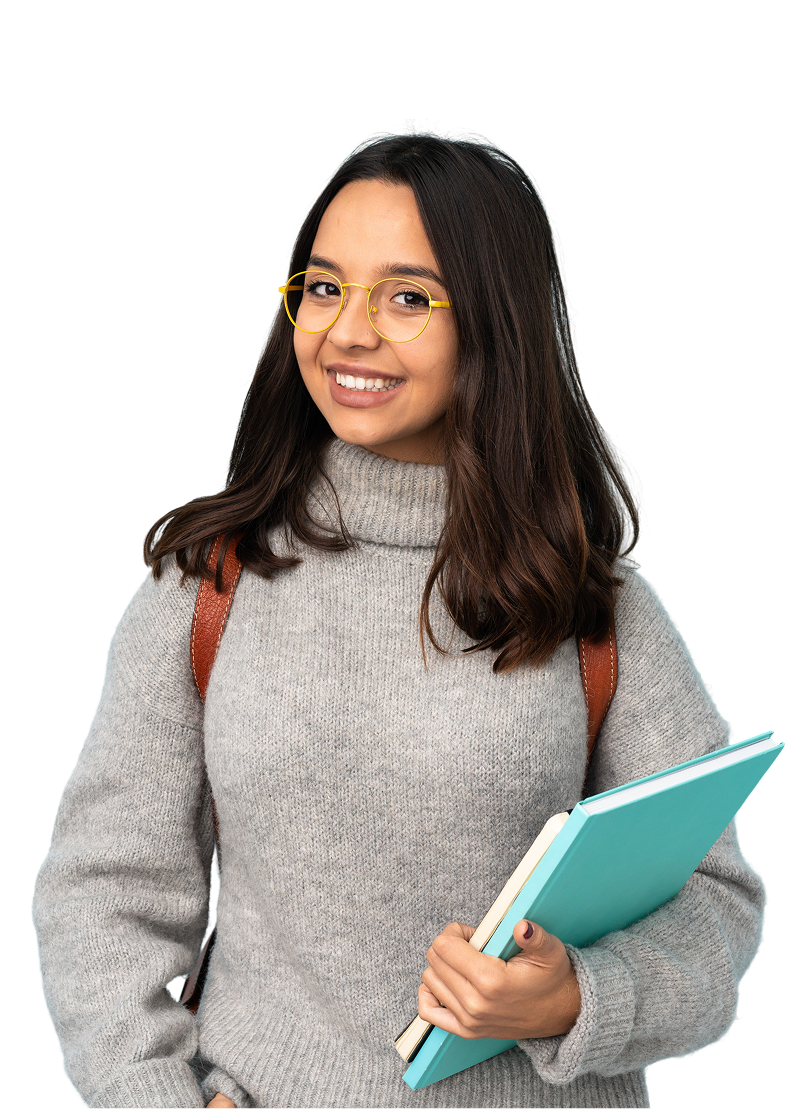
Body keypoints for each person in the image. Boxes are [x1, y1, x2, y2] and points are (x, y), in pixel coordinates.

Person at [30, 120, 769, 1108]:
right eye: (325, 286)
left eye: (408, 297)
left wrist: (573, 998)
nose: (348, 330)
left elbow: (716, 910)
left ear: (497, 322)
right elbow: (99, 895)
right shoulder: (209, 585)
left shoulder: (600, 610)